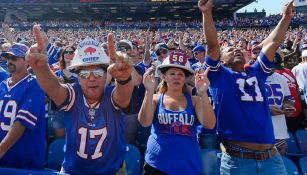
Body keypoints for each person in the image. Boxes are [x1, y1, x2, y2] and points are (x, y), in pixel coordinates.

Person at [199, 0, 294, 174]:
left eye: (238, 48)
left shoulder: (257, 71)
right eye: (230, 49)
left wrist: (286, 18)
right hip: (238, 160)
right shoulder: (218, 75)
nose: (236, 50)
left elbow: (273, 43)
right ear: (222, 60)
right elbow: (212, 46)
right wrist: (206, 13)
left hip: (272, 158)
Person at [26, 25, 134, 174]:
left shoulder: (111, 96)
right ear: (77, 77)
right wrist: (41, 68)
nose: (91, 78)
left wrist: (124, 79)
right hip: (73, 171)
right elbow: (54, 88)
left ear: (107, 75)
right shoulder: (73, 94)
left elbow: (123, 97)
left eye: (97, 72)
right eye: (84, 74)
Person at [138, 50, 216, 175]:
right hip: (156, 164)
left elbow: (210, 125)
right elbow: (144, 122)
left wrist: (203, 93)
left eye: (180, 74)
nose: (176, 77)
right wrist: (148, 91)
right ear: (164, 76)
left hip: (188, 165)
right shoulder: (155, 98)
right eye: (172, 73)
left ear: (185, 78)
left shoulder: (195, 101)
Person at [0, 43, 46, 169]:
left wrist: (1, 149)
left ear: (27, 61)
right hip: (3, 160)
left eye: (14, 58)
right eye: (8, 58)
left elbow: (22, 122)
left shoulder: (35, 84)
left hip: (24, 160)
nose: (9, 61)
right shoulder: (2, 85)